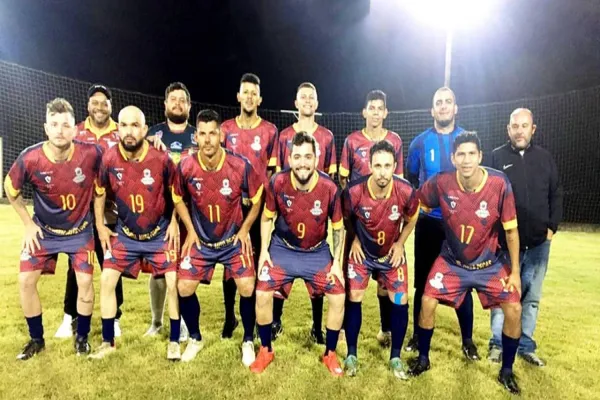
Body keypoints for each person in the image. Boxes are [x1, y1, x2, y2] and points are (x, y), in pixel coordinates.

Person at [409, 131, 523, 395]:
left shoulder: (499, 183)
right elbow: (414, 202)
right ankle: (423, 359)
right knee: (427, 300)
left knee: (514, 308)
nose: (466, 159)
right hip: (452, 261)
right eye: (461, 154)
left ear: (480, 156)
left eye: (472, 153)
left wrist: (515, 272)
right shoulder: (441, 182)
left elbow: (511, 231)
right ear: (453, 158)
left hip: (489, 264)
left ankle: (507, 371)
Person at [5, 98, 102, 359]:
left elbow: (116, 165)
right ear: (46, 128)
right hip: (44, 231)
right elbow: (10, 189)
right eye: (55, 124)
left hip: (80, 231)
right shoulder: (31, 157)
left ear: (74, 129)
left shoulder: (91, 153)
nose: (60, 130)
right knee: (25, 281)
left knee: (85, 281)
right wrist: (27, 224)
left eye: (66, 125)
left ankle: (81, 338)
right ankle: (36, 340)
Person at [88, 106, 181, 360]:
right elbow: (99, 192)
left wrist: (174, 221)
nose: (129, 131)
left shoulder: (161, 158)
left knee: (173, 282)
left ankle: (174, 340)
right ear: (118, 128)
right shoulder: (109, 158)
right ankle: (108, 342)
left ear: (144, 129)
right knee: (107, 280)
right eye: (124, 125)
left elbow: (177, 193)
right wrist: (100, 226)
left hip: (158, 234)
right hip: (125, 234)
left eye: (135, 125)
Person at [250, 132, 345, 375]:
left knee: (338, 295)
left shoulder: (329, 188)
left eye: (308, 157)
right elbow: (266, 218)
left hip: (316, 252)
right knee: (262, 292)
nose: (303, 162)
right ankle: (266, 350)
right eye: (298, 157)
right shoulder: (278, 182)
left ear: (316, 159)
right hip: (283, 249)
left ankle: (330, 353)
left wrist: (336, 263)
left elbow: (338, 228)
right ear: (290, 159)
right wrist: (264, 252)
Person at [173, 109, 263, 366]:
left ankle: (247, 340)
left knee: (247, 286)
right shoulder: (186, 166)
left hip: (232, 241)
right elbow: (177, 198)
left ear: (221, 135)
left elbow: (257, 199)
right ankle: (195, 338)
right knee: (183, 287)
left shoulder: (239, 165)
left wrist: (245, 229)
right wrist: (190, 229)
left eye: (212, 133)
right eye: (202, 134)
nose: (208, 139)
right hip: (202, 241)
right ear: (196, 137)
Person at [404, 87, 479, 360]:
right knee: (423, 282)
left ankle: (467, 341)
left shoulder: (466, 140)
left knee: (462, 280)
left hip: (460, 225)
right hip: (428, 224)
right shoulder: (419, 143)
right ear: (432, 110)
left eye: (448, 102)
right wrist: (424, 202)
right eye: (439, 102)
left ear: (455, 108)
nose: (444, 106)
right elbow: (411, 177)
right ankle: (417, 336)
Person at [487, 108, 563, 367]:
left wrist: (552, 227)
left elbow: (556, 193)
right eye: (515, 126)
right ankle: (497, 344)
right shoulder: (496, 157)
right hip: (505, 245)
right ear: (508, 129)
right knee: (502, 295)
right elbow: (489, 197)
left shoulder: (545, 158)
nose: (519, 131)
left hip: (539, 244)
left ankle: (526, 345)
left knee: (531, 298)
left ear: (533, 129)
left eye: (524, 126)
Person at [342, 140, 419, 379]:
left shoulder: (406, 191)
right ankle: (351, 355)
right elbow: (346, 218)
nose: (383, 172)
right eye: (378, 166)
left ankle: (395, 357)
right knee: (354, 295)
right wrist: (355, 239)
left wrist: (400, 243)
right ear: (369, 165)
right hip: (362, 254)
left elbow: (413, 216)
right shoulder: (354, 191)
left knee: (401, 299)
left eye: (387, 166)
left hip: (390, 255)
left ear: (395, 166)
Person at [55, 84, 124, 339]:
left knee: (112, 262)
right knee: (75, 263)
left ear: (110, 107)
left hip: (111, 210)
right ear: (88, 106)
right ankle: (69, 317)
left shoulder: (120, 131)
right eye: (95, 102)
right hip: (81, 209)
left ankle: (114, 318)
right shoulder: (76, 131)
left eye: (104, 103)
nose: (99, 107)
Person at [339, 89, 404, 347]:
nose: (375, 113)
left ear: (386, 112)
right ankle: (343, 328)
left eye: (380, 108)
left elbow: (399, 183)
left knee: (385, 279)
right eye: (371, 108)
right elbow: (343, 180)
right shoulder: (352, 141)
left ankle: (385, 329)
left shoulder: (395, 141)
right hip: (358, 223)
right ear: (364, 112)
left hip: (386, 221)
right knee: (350, 274)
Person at [273, 82, 337, 342]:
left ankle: (317, 327)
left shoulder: (327, 136)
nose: (308, 101)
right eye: (303, 97)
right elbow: (278, 175)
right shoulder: (284, 136)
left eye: (312, 97)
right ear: (296, 103)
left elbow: (330, 177)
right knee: (279, 270)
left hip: (316, 212)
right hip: (288, 210)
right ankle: (275, 322)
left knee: (318, 273)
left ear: (317, 103)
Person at [221, 73, 279, 339]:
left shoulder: (270, 131)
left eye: (254, 93)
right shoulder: (225, 129)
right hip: (230, 207)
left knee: (256, 262)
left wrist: (264, 201)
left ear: (260, 99)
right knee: (230, 261)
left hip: (258, 208)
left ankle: (256, 318)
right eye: (245, 92)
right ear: (238, 96)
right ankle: (229, 317)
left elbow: (272, 172)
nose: (249, 97)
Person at [143, 82, 195, 341]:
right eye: (173, 99)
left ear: (189, 106)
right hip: (159, 215)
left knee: (183, 270)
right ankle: (156, 321)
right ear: (165, 104)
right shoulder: (152, 135)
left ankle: (183, 321)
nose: (177, 104)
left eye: (182, 100)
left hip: (188, 214)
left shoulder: (198, 136)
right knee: (158, 272)